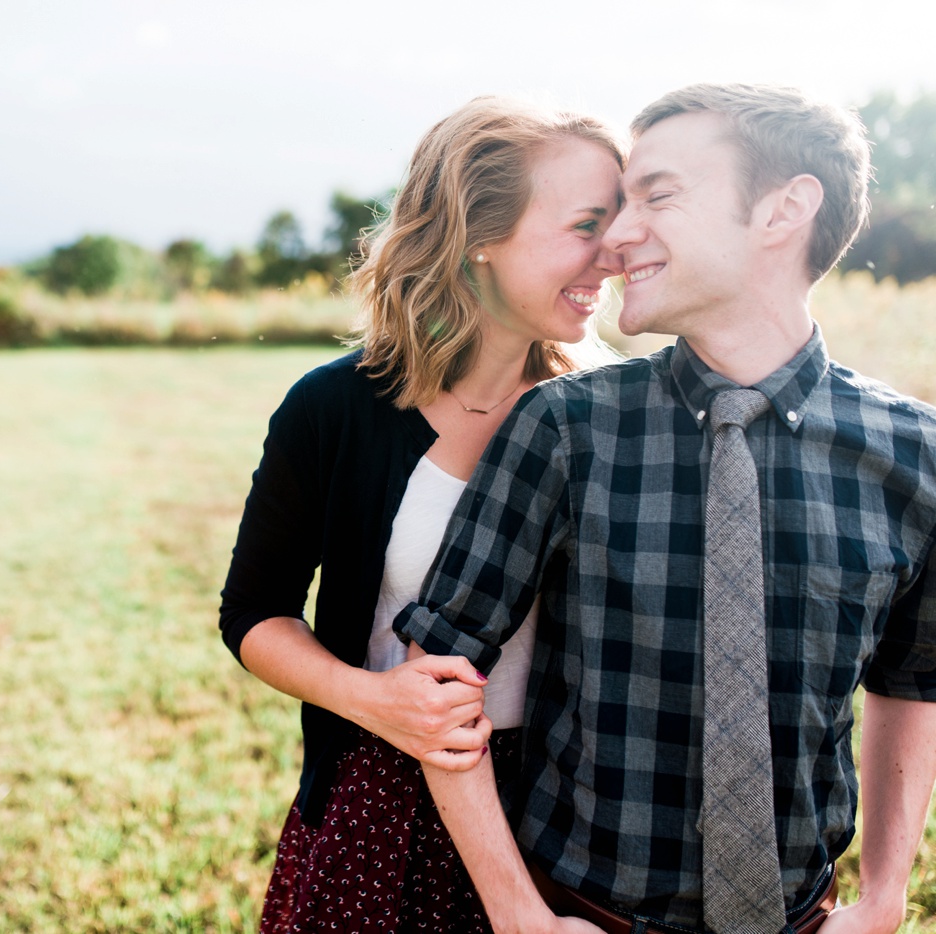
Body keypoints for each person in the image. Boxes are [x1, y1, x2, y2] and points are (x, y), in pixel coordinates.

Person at [394, 83, 936, 934]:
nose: (614, 236)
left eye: (658, 195)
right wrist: (517, 914)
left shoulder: (915, 453)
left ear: (784, 210)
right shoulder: (568, 427)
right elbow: (438, 673)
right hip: (583, 910)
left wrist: (885, 896)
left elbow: (911, 685)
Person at [218, 97, 624, 931]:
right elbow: (253, 613)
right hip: (383, 797)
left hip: (569, 811)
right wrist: (372, 699)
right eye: (587, 224)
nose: (612, 254)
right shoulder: (334, 407)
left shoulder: (611, 417)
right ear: (480, 231)